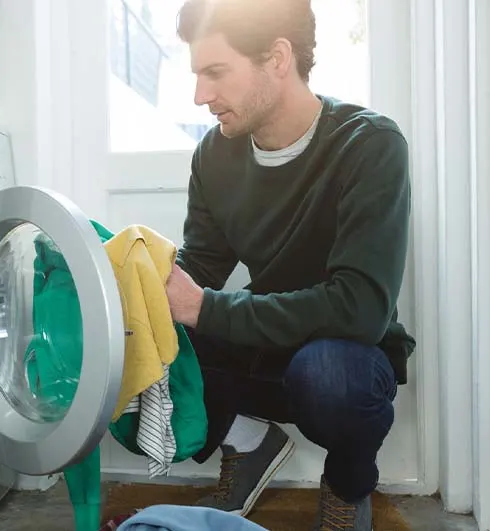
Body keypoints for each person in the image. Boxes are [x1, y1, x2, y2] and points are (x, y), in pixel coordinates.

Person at [163, 0, 415, 530]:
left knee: (329, 376)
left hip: (344, 357)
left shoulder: (370, 145)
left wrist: (204, 308)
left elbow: (360, 309)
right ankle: (249, 443)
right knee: (142, 346)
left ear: (277, 58)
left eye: (215, 73)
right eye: (197, 74)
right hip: (263, 345)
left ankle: (347, 485)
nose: (200, 95)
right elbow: (200, 268)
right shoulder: (214, 154)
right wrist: (134, 287)